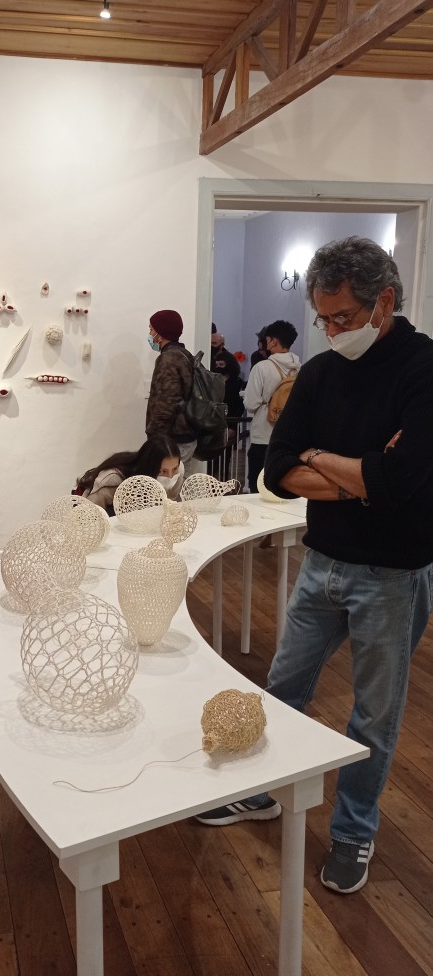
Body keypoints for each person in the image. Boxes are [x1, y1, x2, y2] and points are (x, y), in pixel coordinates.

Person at [195, 236, 433, 896]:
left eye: (342, 317)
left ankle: (354, 831)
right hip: (322, 560)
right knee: (283, 685)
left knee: (374, 715)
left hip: (394, 573)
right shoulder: (324, 371)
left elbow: (404, 480)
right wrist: (361, 474)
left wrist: (321, 458)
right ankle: (261, 790)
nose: (330, 331)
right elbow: (276, 471)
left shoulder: (423, 368)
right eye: (322, 319)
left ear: (384, 302)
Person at [242, 320, 300, 494]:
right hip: (289, 436)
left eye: (267, 339)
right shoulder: (299, 368)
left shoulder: (262, 368)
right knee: (282, 486)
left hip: (263, 435)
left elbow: (251, 403)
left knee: (258, 486)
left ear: (273, 341)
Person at [77, 435, 184, 514]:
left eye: (174, 469)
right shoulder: (114, 479)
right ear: (149, 466)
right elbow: (89, 513)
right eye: (162, 471)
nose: (170, 476)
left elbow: (167, 506)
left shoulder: (178, 471)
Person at [145, 310, 197, 468]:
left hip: (172, 439)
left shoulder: (168, 359)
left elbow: (167, 402)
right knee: (182, 478)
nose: (150, 334)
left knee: (169, 481)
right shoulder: (184, 354)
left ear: (161, 334)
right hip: (185, 434)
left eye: (151, 330)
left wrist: (156, 439)